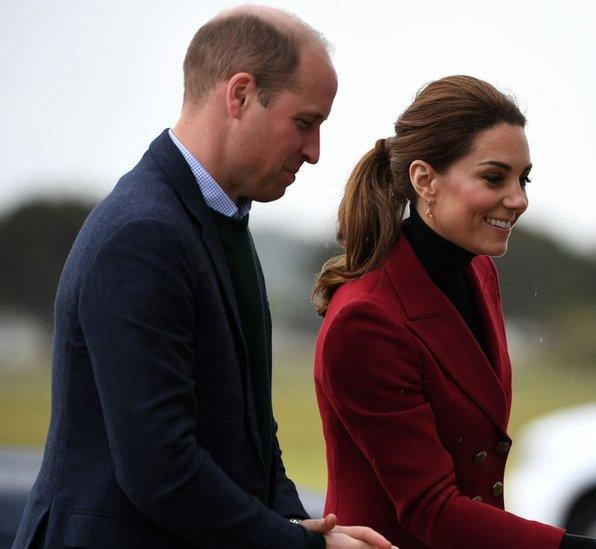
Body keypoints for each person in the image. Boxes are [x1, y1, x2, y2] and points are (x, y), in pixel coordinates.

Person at [13, 6, 391, 549]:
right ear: (239, 95)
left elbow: (250, 432)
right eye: (304, 123)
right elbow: (160, 469)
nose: (313, 152)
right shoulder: (143, 234)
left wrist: (298, 525)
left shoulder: (217, 219)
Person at [311, 75, 596, 549]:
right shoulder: (366, 320)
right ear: (424, 180)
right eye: (495, 177)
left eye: (523, 178)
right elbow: (429, 507)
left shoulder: (478, 272)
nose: (519, 199)